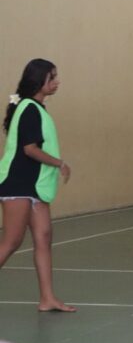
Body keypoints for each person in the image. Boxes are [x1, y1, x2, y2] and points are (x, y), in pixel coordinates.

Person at [0, 59, 75, 312]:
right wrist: (60, 163)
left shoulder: (37, 109)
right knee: (11, 241)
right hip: (17, 184)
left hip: (35, 186)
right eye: (52, 77)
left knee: (43, 237)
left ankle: (47, 298)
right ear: (38, 80)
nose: (57, 82)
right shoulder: (29, 109)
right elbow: (29, 149)